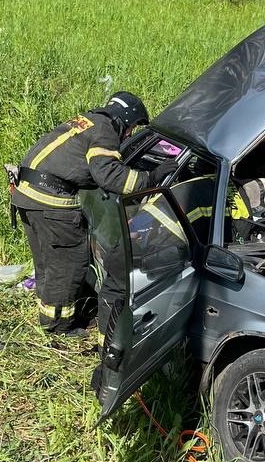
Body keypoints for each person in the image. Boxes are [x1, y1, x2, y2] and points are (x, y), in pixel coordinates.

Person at [9, 91, 159, 337]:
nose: (130, 134)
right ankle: (59, 327)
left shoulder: (88, 120)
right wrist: (150, 178)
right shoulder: (106, 131)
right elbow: (109, 176)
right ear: (125, 118)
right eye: (131, 128)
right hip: (51, 202)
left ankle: (48, 316)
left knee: (47, 261)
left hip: (27, 195)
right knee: (68, 264)